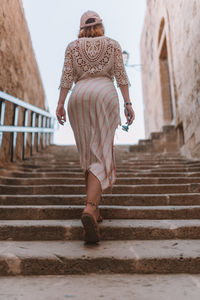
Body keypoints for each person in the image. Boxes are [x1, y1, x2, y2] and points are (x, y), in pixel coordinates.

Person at [56, 10, 135, 244]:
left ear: (81, 29)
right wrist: (128, 103)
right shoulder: (112, 44)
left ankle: (95, 210)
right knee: (101, 153)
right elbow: (120, 76)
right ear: (101, 26)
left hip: (78, 97)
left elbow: (66, 78)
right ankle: (90, 208)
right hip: (104, 94)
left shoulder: (72, 46)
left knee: (90, 154)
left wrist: (60, 104)